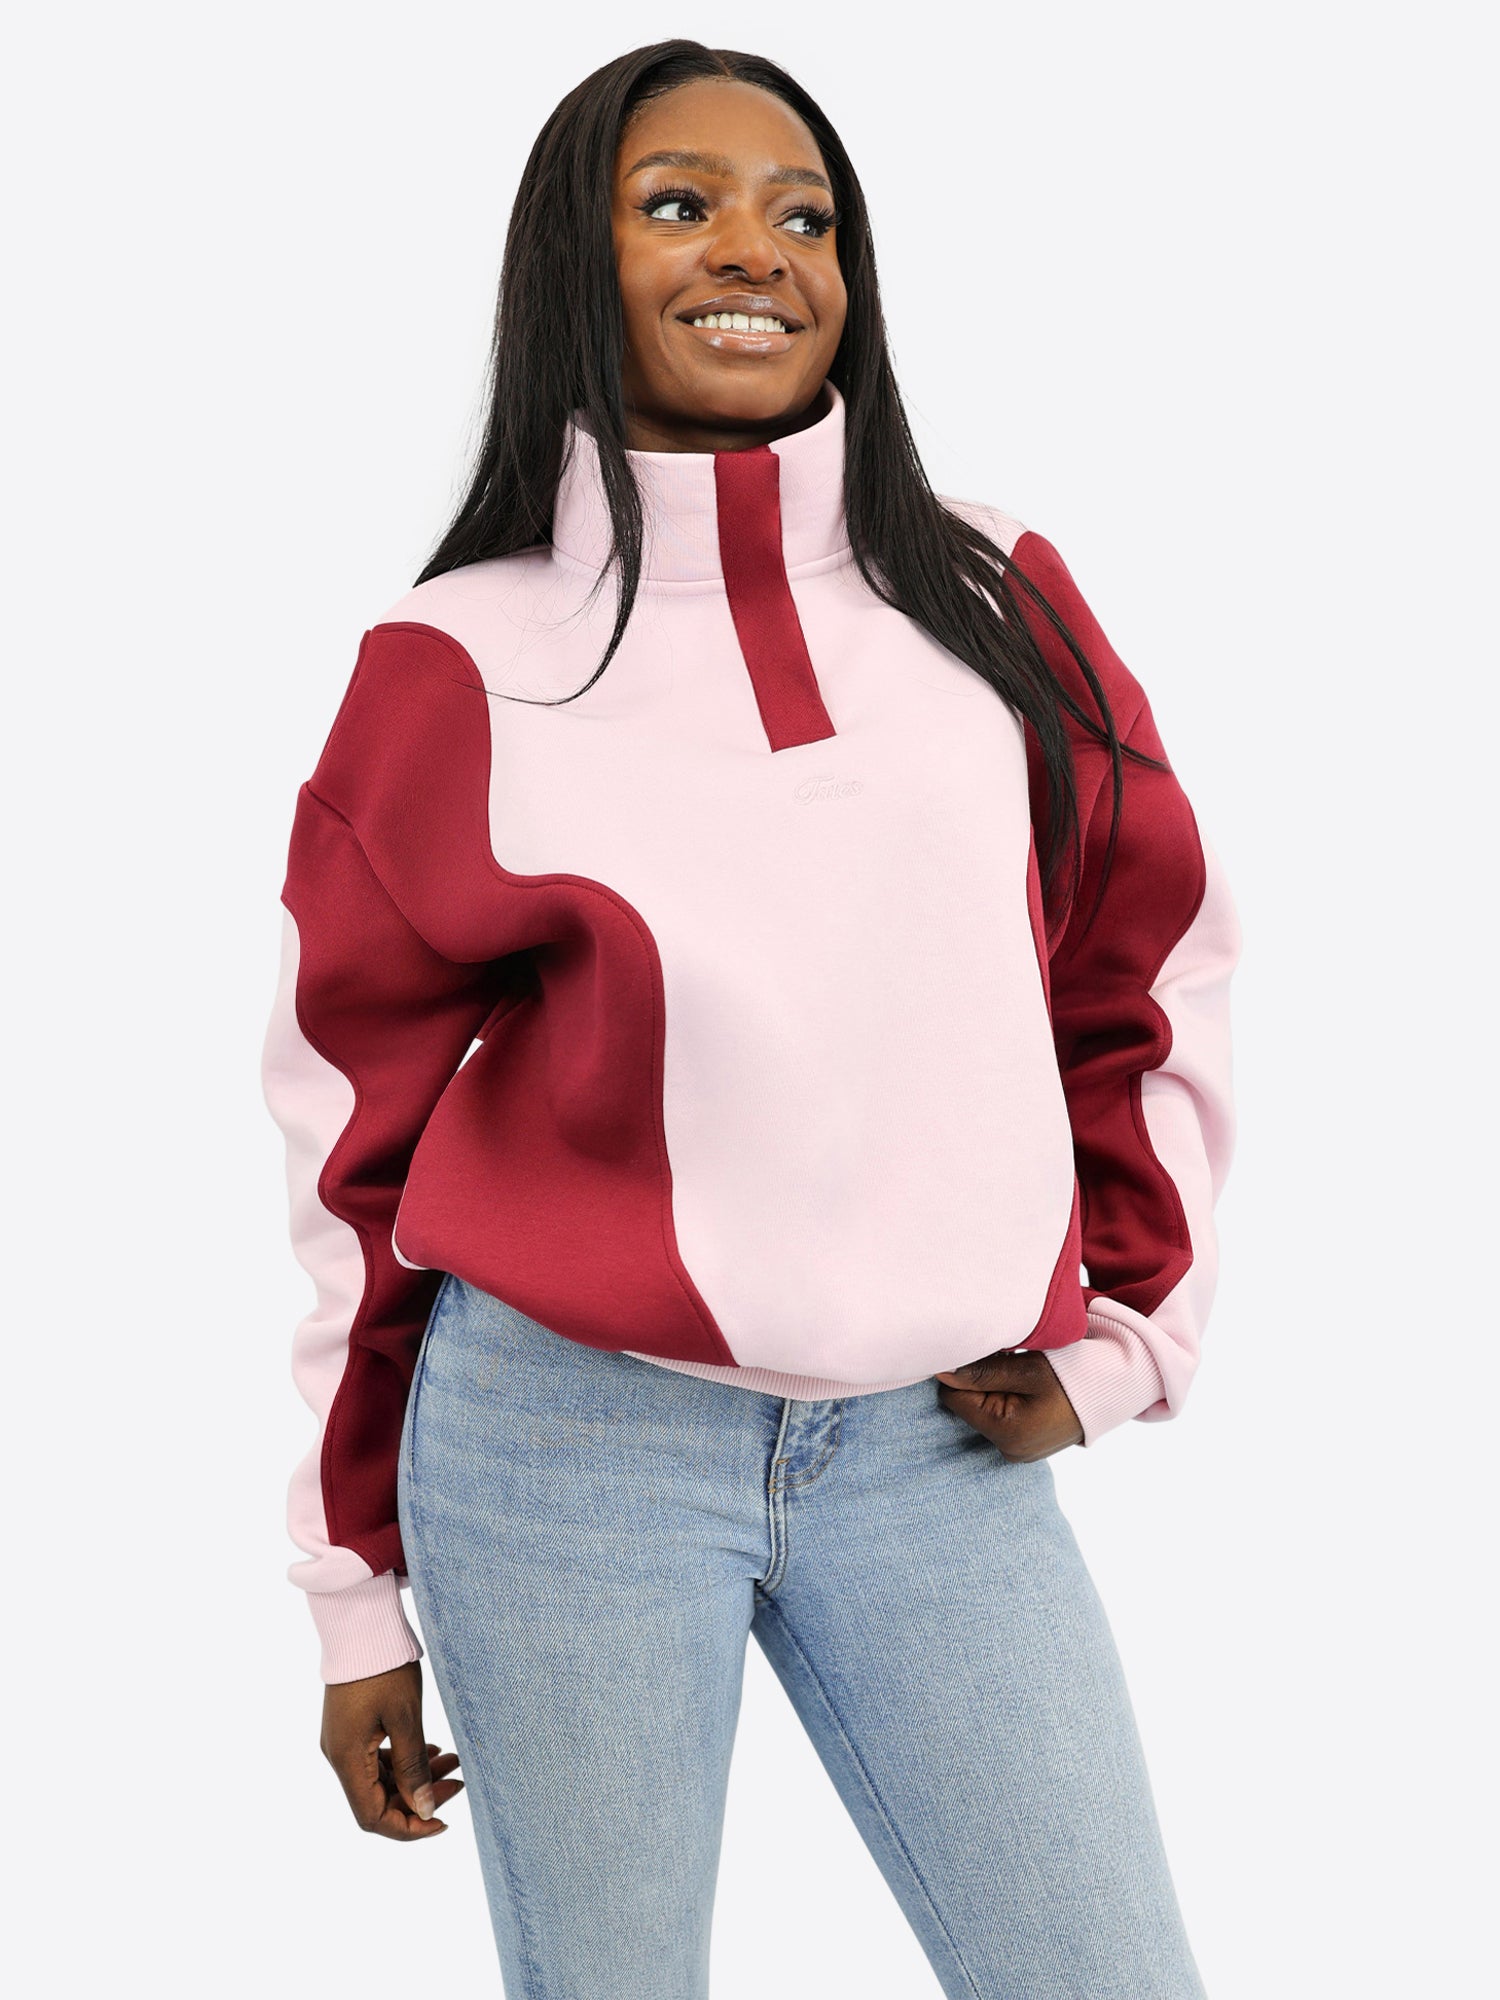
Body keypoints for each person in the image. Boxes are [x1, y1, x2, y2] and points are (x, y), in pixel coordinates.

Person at [260, 38, 1240, 1999]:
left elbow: (1138, 968)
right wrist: (353, 1590)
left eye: (807, 217)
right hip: (561, 1447)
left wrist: (1131, 1333)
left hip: (934, 1446)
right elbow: (350, 1153)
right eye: (679, 204)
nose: (755, 251)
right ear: (578, 258)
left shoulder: (996, 595)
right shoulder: (459, 660)